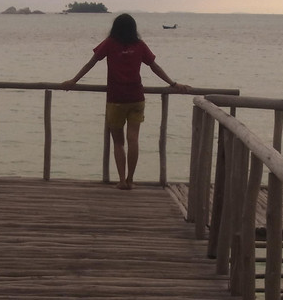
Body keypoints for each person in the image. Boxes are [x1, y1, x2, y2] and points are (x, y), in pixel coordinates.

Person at [62, 13, 190, 189]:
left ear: (115, 28)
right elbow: (154, 66)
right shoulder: (139, 45)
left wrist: (73, 80)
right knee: (133, 140)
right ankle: (131, 180)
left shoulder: (109, 44)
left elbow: (91, 63)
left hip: (116, 99)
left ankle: (122, 180)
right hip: (136, 98)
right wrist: (173, 83)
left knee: (118, 142)